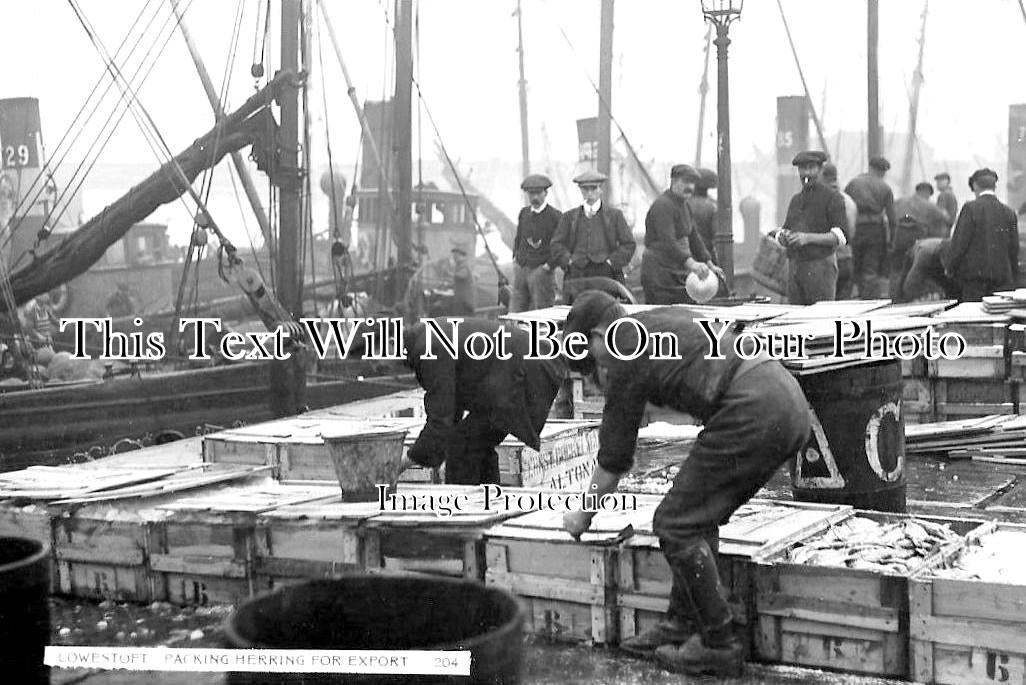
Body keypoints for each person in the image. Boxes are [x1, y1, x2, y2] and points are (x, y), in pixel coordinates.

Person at [560, 291, 810, 677]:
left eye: (591, 364)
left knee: (676, 523)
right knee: (693, 515)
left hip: (754, 406)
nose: (597, 375)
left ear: (597, 334)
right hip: (779, 396)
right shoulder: (653, 322)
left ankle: (718, 643)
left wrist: (582, 515)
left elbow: (613, 461)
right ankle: (683, 622)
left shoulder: (622, 347)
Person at [396, 318, 567, 485]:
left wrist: (400, 465)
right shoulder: (426, 337)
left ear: (390, 342)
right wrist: (427, 451)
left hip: (525, 372)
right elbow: (450, 409)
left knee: (461, 443)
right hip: (528, 366)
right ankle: (489, 501)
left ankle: (463, 507)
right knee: (473, 441)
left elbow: (441, 419)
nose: (375, 367)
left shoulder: (429, 347)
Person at [775, 150, 849, 305]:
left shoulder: (833, 198)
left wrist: (806, 238)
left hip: (821, 268)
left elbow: (841, 236)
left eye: (811, 168)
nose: (806, 173)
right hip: (795, 269)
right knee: (795, 320)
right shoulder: (796, 200)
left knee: (821, 319)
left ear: (820, 170)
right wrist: (783, 236)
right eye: (802, 168)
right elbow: (786, 228)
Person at [641, 164, 722, 305]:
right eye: (685, 182)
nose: (690, 187)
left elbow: (695, 238)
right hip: (659, 272)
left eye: (692, 183)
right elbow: (668, 241)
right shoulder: (662, 205)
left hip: (676, 268)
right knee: (663, 314)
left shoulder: (685, 205)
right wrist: (692, 264)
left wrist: (709, 264)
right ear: (673, 181)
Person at [551, 170, 636, 287]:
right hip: (576, 274)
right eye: (585, 189)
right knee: (577, 305)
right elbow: (556, 244)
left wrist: (612, 262)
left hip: (606, 274)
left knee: (604, 304)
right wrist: (568, 261)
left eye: (593, 188)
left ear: (600, 189)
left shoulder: (615, 216)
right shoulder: (569, 217)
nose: (590, 193)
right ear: (580, 190)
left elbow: (629, 244)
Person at [945, 168, 1019, 301]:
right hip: (1002, 280)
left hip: (974, 281)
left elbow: (960, 243)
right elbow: (1014, 248)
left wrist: (950, 267)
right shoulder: (1009, 212)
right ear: (994, 186)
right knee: (999, 318)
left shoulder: (970, 208)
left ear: (975, 186)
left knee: (974, 317)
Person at [845, 156, 897, 298]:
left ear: (870, 167)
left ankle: (851, 299)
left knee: (854, 266)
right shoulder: (885, 187)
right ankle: (867, 301)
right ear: (883, 172)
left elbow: (844, 207)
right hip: (875, 231)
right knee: (870, 269)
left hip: (856, 229)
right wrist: (892, 241)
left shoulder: (853, 183)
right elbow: (892, 218)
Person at [511, 174, 561, 312]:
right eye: (531, 194)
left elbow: (560, 246)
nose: (535, 198)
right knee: (516, 310)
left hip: (542, 272)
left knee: (541, 311)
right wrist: (515, 258)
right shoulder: (524, 214)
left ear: (546, 193)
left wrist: (548, 266)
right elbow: (519, 238)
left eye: (538, 193)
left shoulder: (555, 216)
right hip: (522, 269)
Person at [821, 163, 858, 299]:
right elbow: (851, 232)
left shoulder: (824, 200)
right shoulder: (849, 200)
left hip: (830, 260)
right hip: (847, 258)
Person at [688, 168, 719, 265]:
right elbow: (717, 234)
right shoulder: (713, 206)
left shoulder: (683, 202)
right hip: (705, 255)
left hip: (685, 255)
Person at [448, 242, 476, 315]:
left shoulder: (463, 265)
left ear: (461, 255)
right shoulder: (459, 265)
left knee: (462, 321)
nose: (454, 257)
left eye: (456, 255)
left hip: (464, 303)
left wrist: (451, 272)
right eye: (454, 255)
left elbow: (462, 275)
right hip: (461, 301)